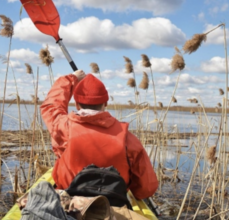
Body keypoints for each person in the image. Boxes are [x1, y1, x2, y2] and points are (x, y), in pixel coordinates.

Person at [40, 70, 158, 199]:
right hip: (113, 203)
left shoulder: (63, 127)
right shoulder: (128, 139)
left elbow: (51, 106)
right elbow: (146, 189)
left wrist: (71, 78)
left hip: (70, 201)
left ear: (77, 104)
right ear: (105, 104)